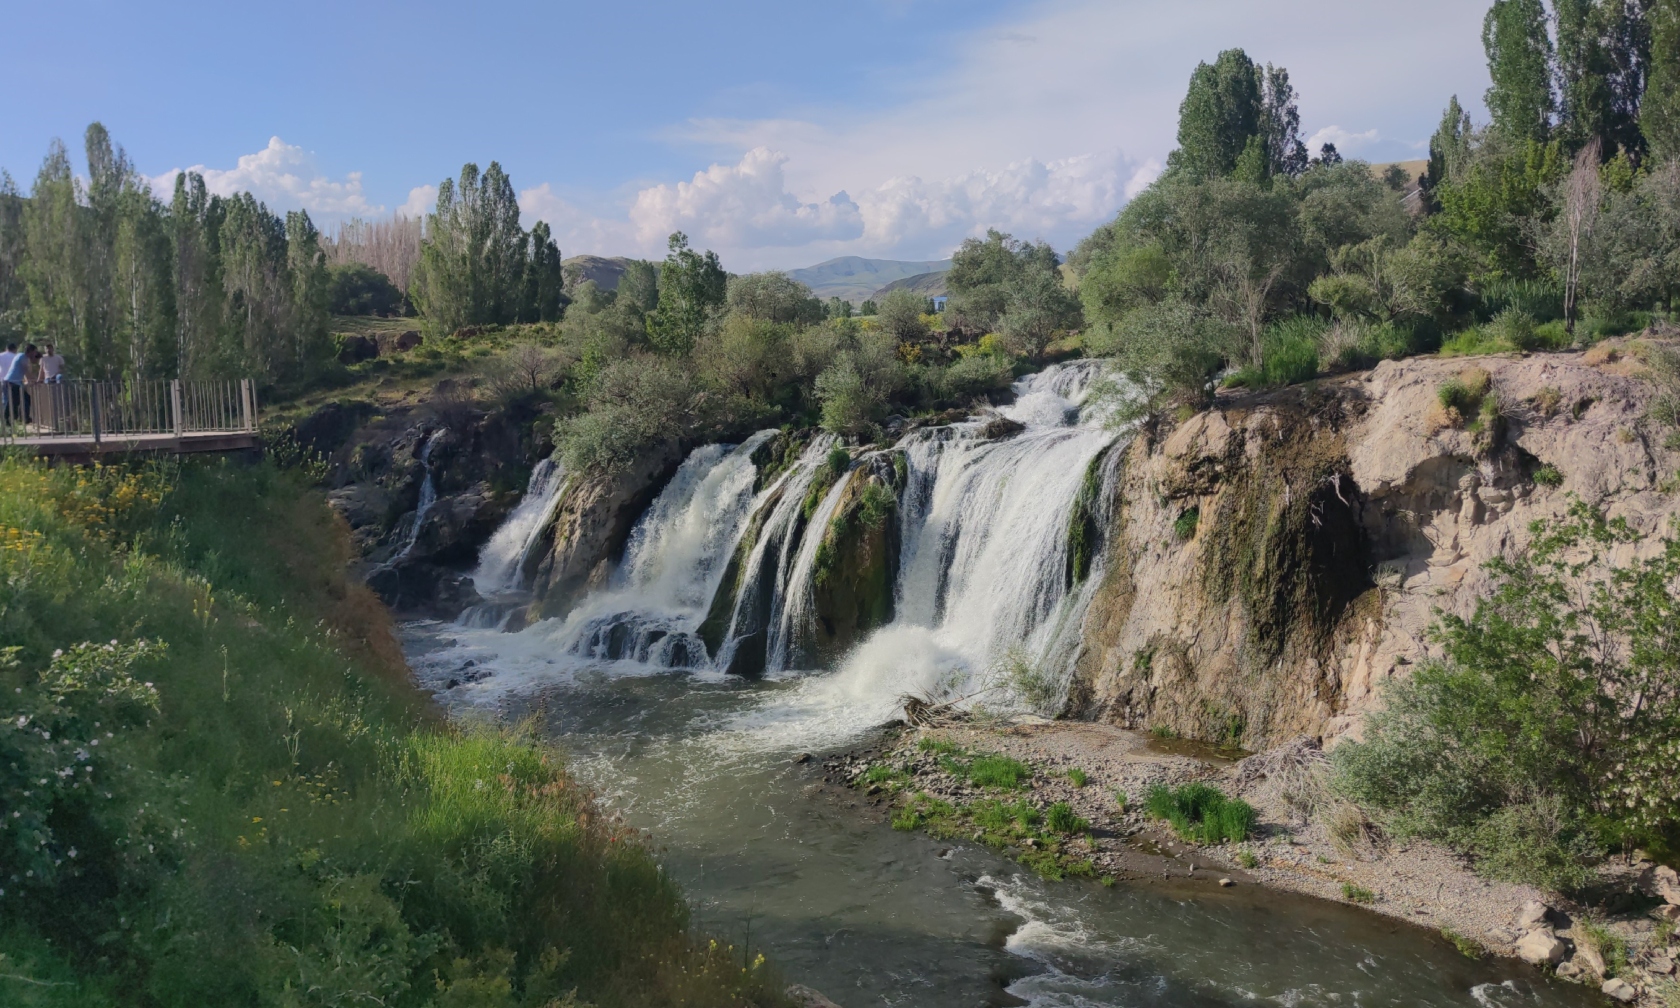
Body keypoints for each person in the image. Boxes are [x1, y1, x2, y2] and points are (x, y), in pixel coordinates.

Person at [5, 344, 33, 426]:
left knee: (21, 399)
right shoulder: (22, 357)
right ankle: (10, 419)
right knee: (14, 401)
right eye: (34, 352)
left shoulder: (22, 356)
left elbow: (24, 372)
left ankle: (22, 418)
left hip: (15, 382)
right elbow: (26, 371)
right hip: (12, 382)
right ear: (30, 351)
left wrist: (28, 381)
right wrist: (34, 381)